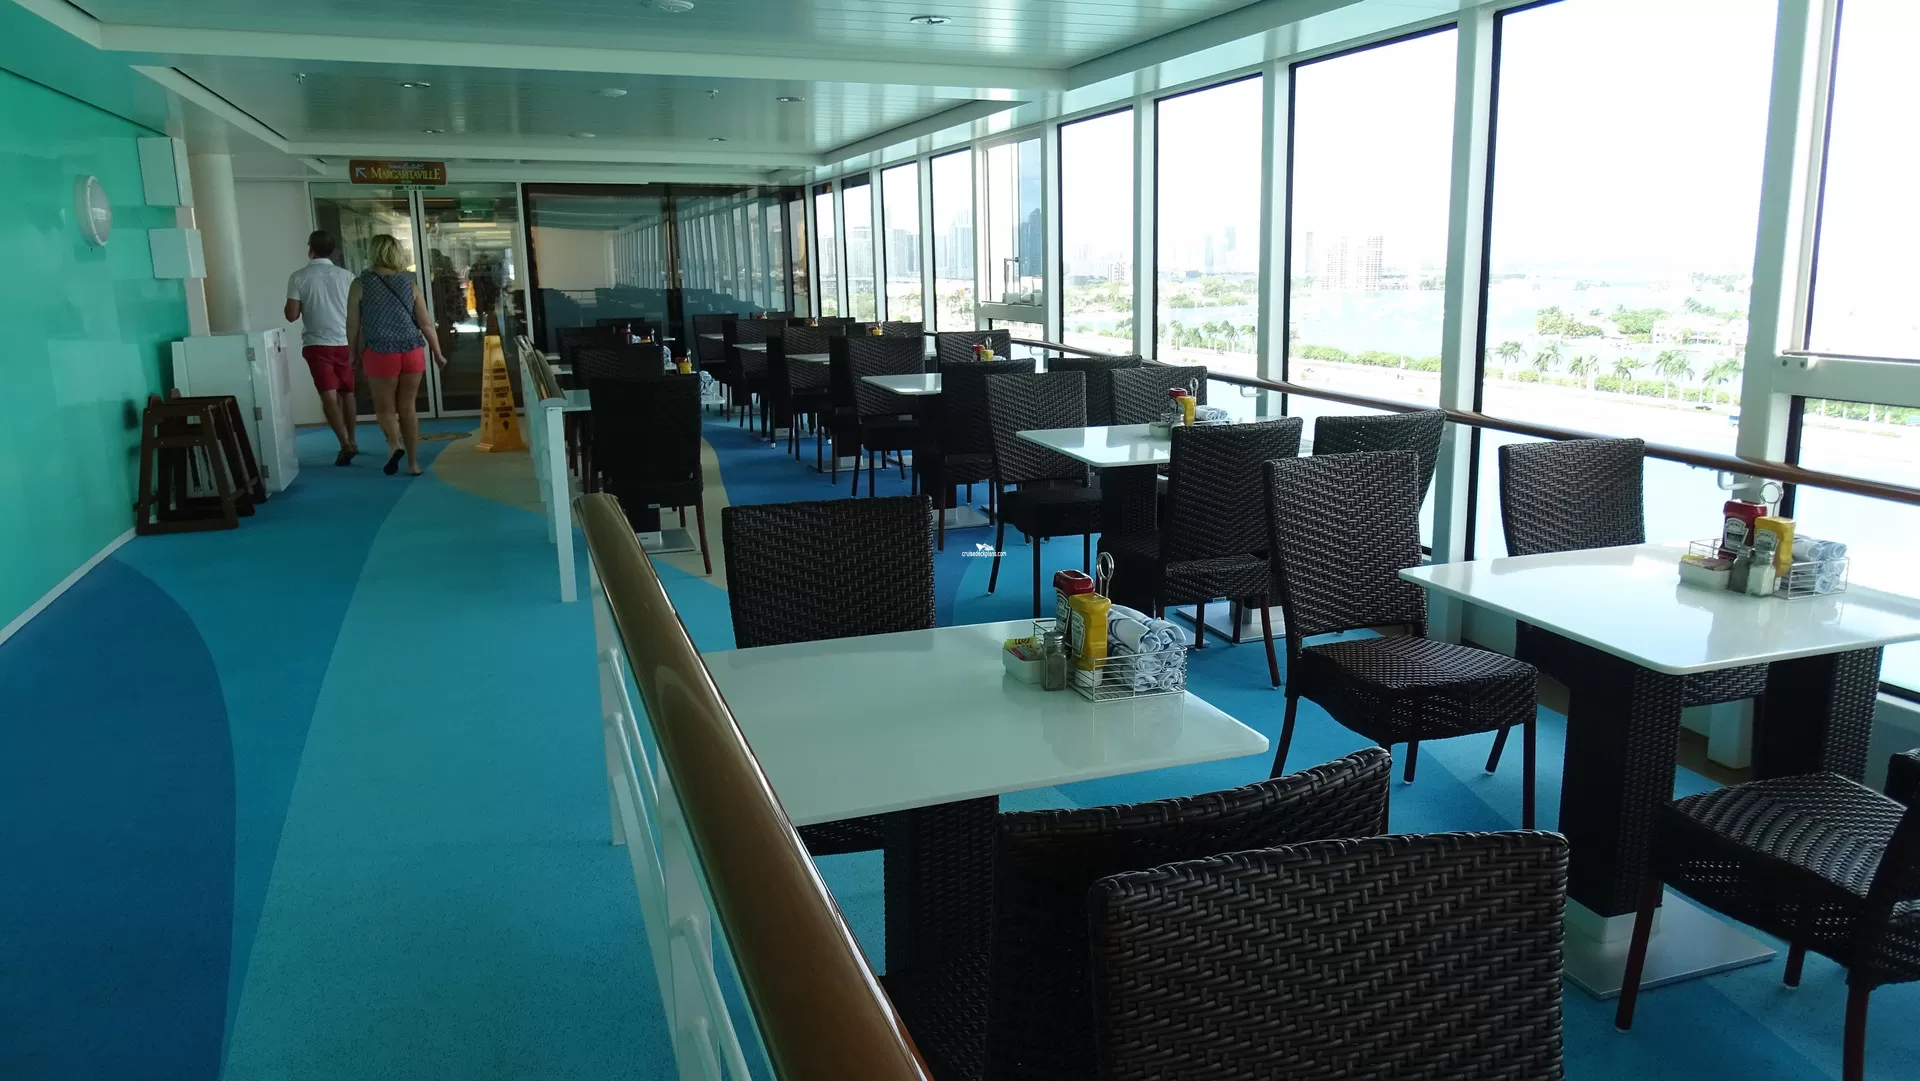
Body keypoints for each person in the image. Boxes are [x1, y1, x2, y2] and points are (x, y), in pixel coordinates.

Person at [346, 234, 446, 477]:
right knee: (408, 408)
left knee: (385, 408)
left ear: (373, 252)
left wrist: (352, 353)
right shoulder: (410, 283)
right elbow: (426, 324)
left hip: (380, 351)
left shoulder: (360, 284)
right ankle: (413, 464)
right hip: (412, 350)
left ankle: (394, 445)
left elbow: (352, 324)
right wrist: (437, 352)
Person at [285, 231, 359, 465]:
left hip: (317, 345)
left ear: (310, 249)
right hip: (345, 343)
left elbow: (291, 315)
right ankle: (353, 440)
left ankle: (344, 444)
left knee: (328, 394)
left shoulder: (298, 277)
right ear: (333, 251)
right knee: (348, 392)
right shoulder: (347, 276)